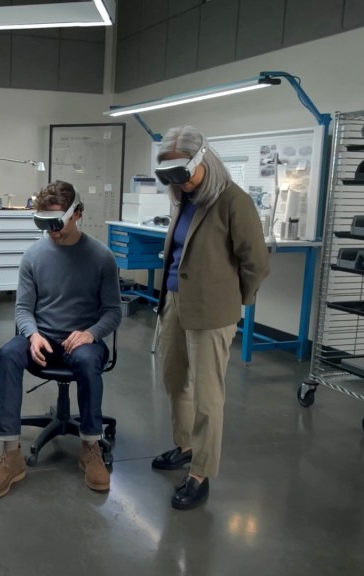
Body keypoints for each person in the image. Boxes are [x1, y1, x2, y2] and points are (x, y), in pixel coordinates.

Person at [151, 126, 270, 510]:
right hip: (174, 302)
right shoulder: (183, 199)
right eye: (169, 176)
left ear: (204, 161)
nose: (177, 182)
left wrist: (234, 304)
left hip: (212, 312)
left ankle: (200, 472)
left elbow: (256, 261)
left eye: (182, 173)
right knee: (174, 381)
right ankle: (186, 447)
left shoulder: (233, 201)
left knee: (206, 395)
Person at [0, 180, 122, 500]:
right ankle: (11, 455)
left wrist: (91, 334)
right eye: (44, 224)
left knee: (87, 361)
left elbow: (113, 312)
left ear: (77, 215)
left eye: (56, 223)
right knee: (9, 354)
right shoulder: (34, 256)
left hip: (83, 342)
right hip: (41, 340)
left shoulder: (101, 257)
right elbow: (22, 309)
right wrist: (32, 336)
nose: (52, 231)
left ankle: (90, 446)